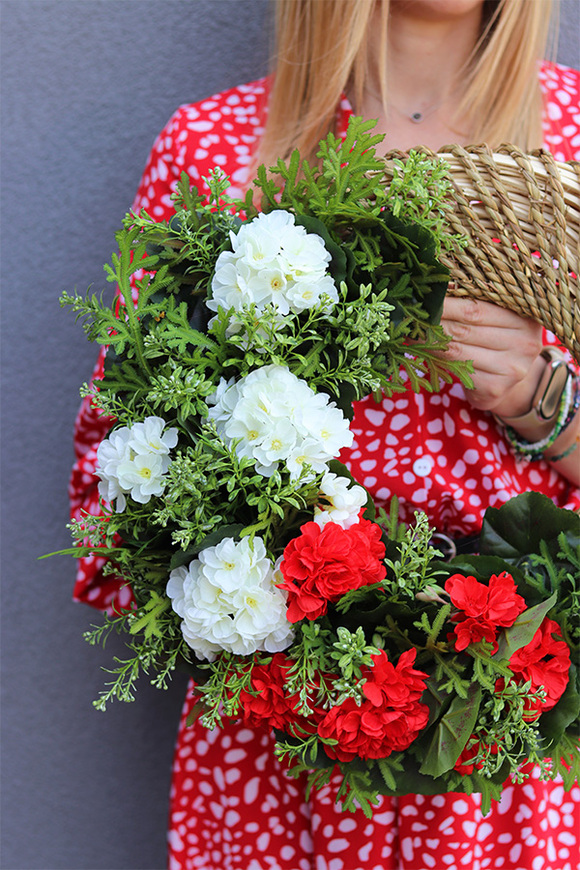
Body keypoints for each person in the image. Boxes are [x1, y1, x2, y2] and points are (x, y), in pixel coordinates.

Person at [70, 1, 580, 868]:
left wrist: (542, 400)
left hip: (509, 768)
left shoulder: (567, 145)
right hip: (280, 752)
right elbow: (114, 476)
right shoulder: (218, 150)